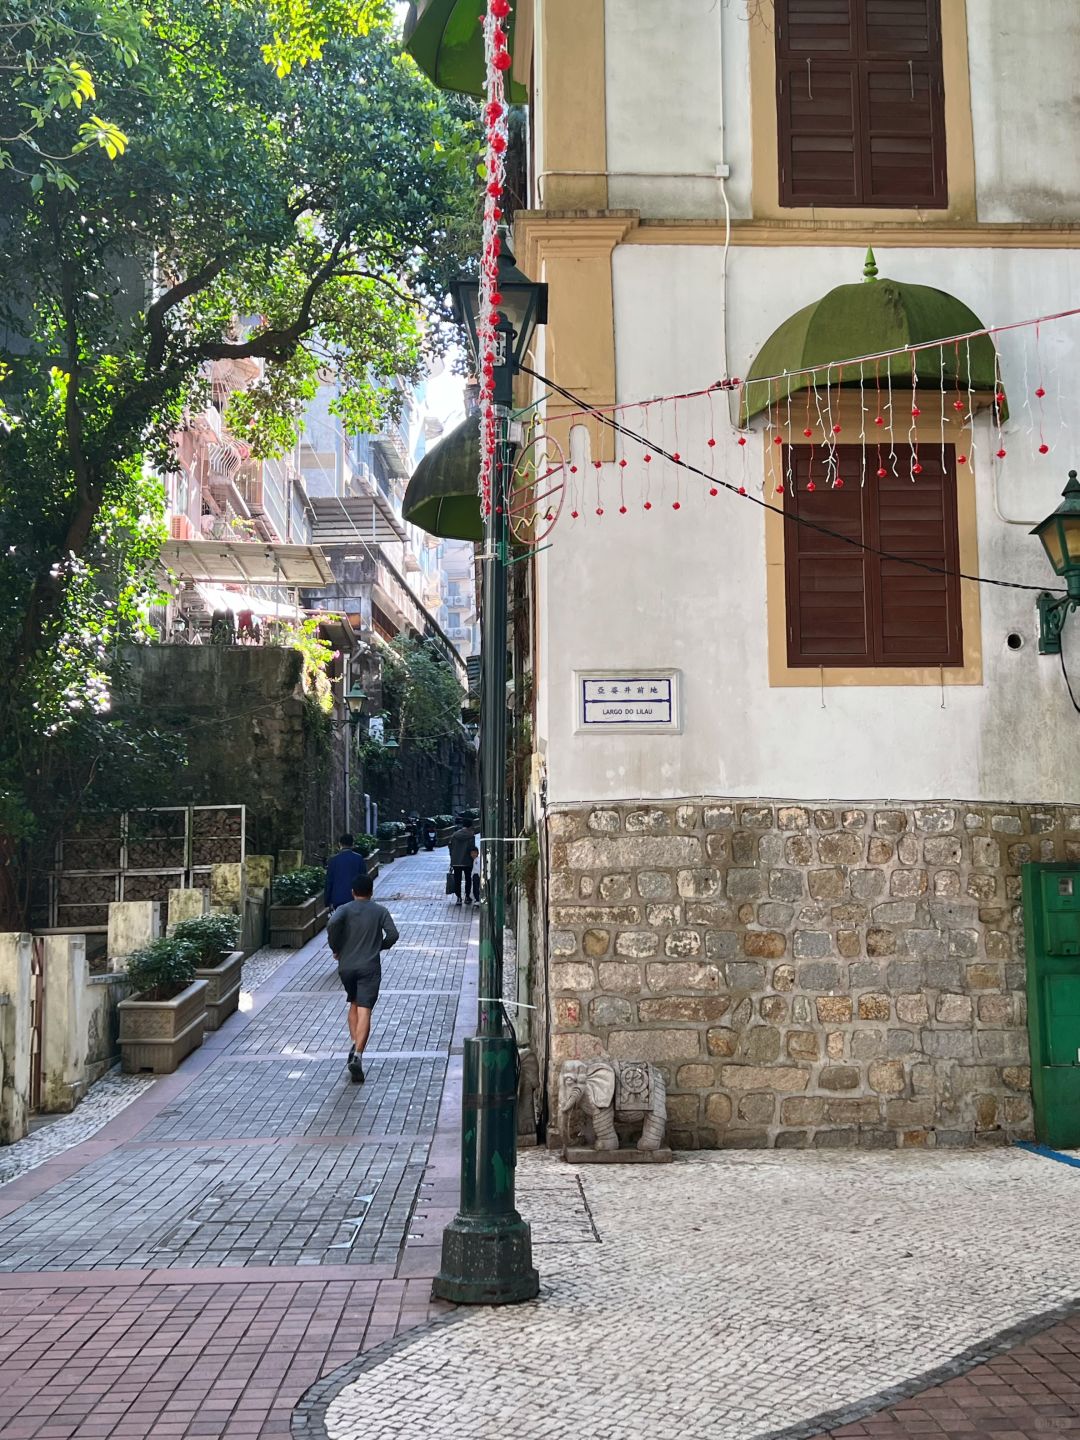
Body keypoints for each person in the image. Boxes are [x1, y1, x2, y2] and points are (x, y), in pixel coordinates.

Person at [327, 873, 398, 1083]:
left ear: (352, 892)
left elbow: (332, 925)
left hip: (346, 966)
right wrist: (379, 946)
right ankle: (358, 1054)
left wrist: (336, 946)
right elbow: (393, 934)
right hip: (369, 967)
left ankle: (355, 1042)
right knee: (365, 1008)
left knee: (353, 1002)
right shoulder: (380, 911)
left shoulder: (344, 909)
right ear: (371, 892)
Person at [324, 833, 367, 913]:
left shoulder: (333, 860)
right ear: (352, 844)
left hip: (338, 899)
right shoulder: (359, 858)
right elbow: (364, 879)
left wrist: (327, 902)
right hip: (355, 898)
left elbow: (329, 882)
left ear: (340, 844)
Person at [447, 821, 478, 907]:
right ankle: (467, 896)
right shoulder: (471, 836)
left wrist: (452, 857)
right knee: (468, 879)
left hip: (456, 861)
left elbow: (450, 846)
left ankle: (459, 898)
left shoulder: (454, 835)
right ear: (470, 827)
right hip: (467, 861)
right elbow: (473, 849)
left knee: (457, 880)